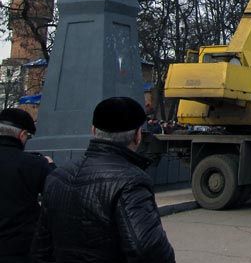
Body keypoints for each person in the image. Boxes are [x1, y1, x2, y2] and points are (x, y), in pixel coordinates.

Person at [31, 97, 175, 263]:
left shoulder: (57, 176)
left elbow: (41, 248)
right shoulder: (132, 181)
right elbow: (148, 250)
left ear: (93, 130)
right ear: (138, 136)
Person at [0, 108, 54, 263]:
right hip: (20, 249)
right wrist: (50, 167)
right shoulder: (34, 164)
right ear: (22, 135)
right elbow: (56, 194)